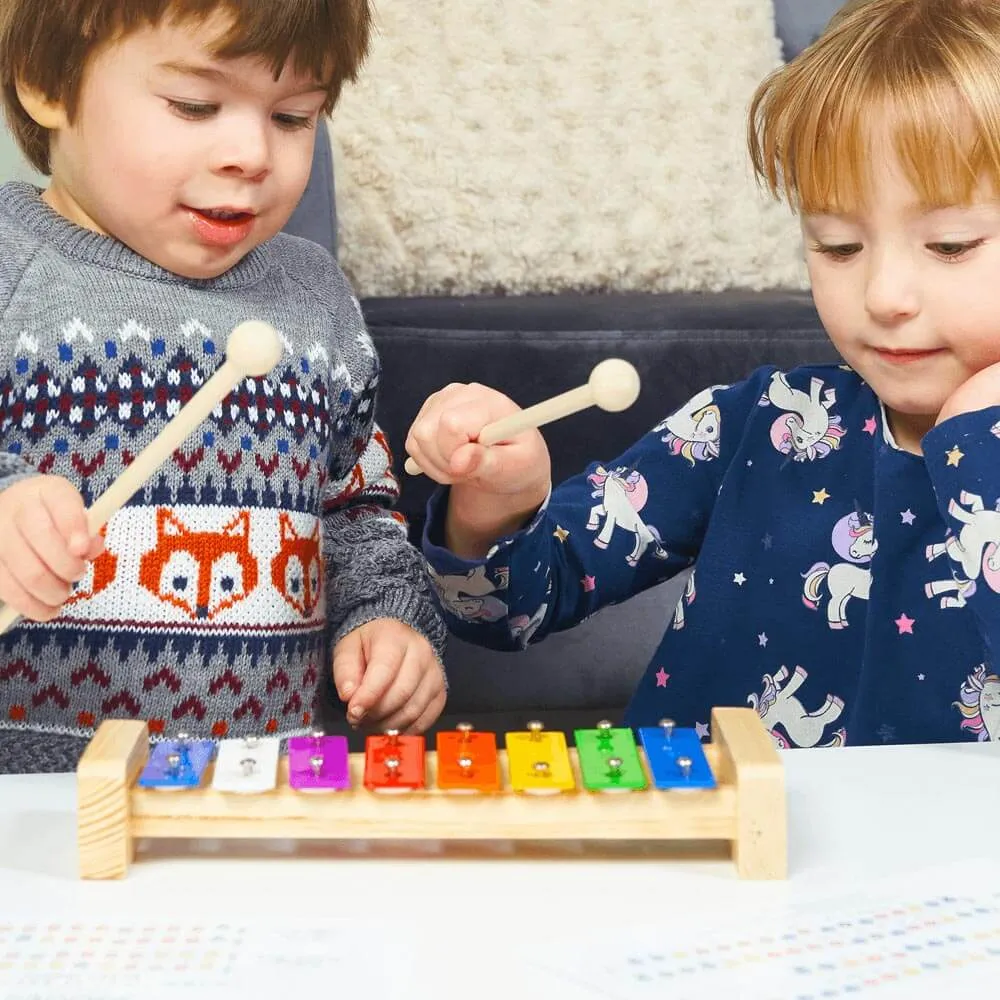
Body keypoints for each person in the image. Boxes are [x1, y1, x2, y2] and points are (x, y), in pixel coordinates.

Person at [406, 0, 1000, 748]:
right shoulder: (758, 423)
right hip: (709, 845)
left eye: (949, 245)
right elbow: (505, 611)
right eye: (839, 245)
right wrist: (496, 502)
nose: (883, 297)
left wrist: (981, 443)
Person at [0, 0, 447, 774]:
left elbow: (355, 510)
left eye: (293, 117)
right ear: (46, 82)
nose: (251, 153)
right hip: (33, 813)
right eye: (196, 105)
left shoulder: (314, 296)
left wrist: (384, 619)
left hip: (262, 797)